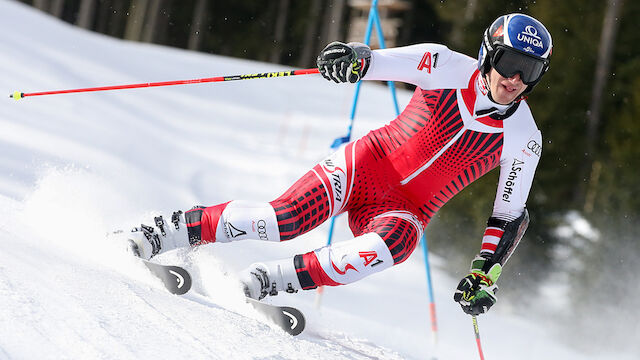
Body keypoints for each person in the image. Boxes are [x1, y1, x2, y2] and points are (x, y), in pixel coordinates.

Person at [122, 13, 552, 316]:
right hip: (366, 165)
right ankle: (163, 231)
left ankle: (268, 281)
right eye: (509, 62)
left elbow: (508, 215)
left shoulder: (524, 138)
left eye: (529, 70)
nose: (514, 78)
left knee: (394, 247)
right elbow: (376, 61)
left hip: (404, 211)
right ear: (488, 54)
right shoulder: (444, 66)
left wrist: (485, 273)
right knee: (283, 220)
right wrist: (352, 59)